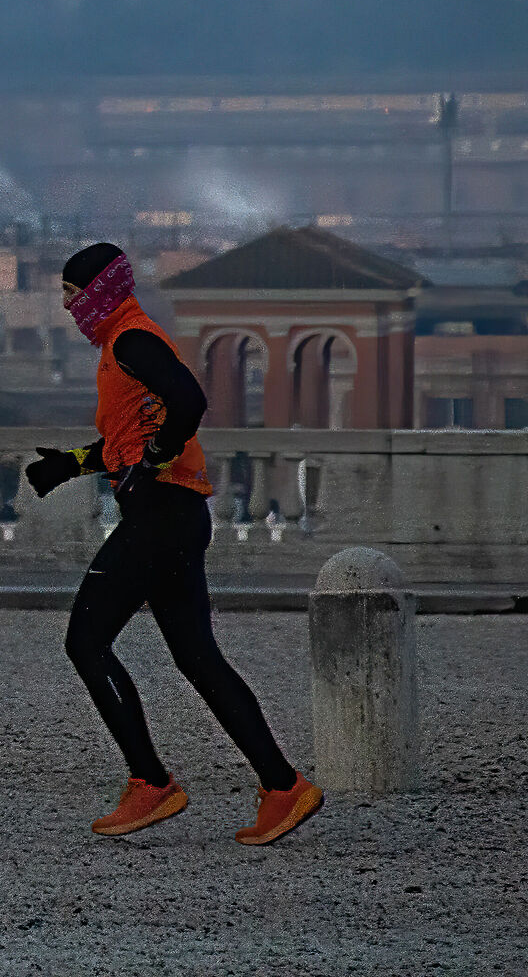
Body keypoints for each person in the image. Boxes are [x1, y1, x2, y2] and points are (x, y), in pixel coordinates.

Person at [24, 242, 323, 845]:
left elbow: (189, 402)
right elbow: (134, 441)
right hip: (176, 517)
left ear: (100, 292)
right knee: (197, 657)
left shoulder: (132, 340)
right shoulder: (119, 345)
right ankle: (283, 787)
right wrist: (74, 464)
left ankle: (151, 782)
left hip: (160, 520)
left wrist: (155, 457)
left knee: (85, 640)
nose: (65, 304)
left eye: (72, 292)